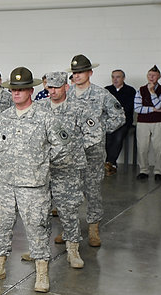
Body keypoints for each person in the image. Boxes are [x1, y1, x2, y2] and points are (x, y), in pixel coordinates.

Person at [0, 67, 66, 293]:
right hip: (6, 183)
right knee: (1, 225)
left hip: (33, 184)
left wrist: (40, 161)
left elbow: (61, 146)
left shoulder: (45, 117)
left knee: (37, 227)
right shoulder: (3, 118)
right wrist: (9, 157)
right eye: (13, 90)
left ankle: (41, 273)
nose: (16, 93)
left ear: (30, 90)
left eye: (21, 90)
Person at [29, 71, 88, 268]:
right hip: (43, 168)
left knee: (68, 210)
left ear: (65, 87)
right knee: (40, 211)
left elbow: (94, 133)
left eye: (56, 87)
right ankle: (38, 250)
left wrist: (73, 150)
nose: (52, 91)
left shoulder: (78, 107)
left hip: (67, 168)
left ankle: (73, 250)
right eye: (49, 88)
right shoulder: (39, 107)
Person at [66, 54, 125, 247]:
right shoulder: (66, 95)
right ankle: (70, 231)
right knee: (69, 192)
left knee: (92, 191)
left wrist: (99, 129)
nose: (77, 76)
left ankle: (93, 229)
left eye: (81, 72)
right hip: (70, 153)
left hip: (93, 153)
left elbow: (119, 116)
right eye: (74, 73)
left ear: (90, 73)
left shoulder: (101, 95)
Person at [134, 65, 161, 180]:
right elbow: (137, 109)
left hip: (159, 122)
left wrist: (152, 92)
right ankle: (143, 170)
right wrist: (153, 109)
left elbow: (159, 104)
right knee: (142, 147)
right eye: (149, 75)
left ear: (159, 76)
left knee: (159, 147)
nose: (151, 77)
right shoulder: (140, 90)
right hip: (143, 122)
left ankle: (159, 171)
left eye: (154, 75)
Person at [104, 69, 136, 175]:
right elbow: (104, 107)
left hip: (124, 121)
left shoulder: (130, 90)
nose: (115, 79)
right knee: (107, 138)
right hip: (110, 121)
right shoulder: (107, 90)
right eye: (113, 77)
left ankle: (110, 163)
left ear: (123, 78)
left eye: (118, 77)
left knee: (118, 137)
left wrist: (116, 111)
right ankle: (108, 163)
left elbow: (128, 107)